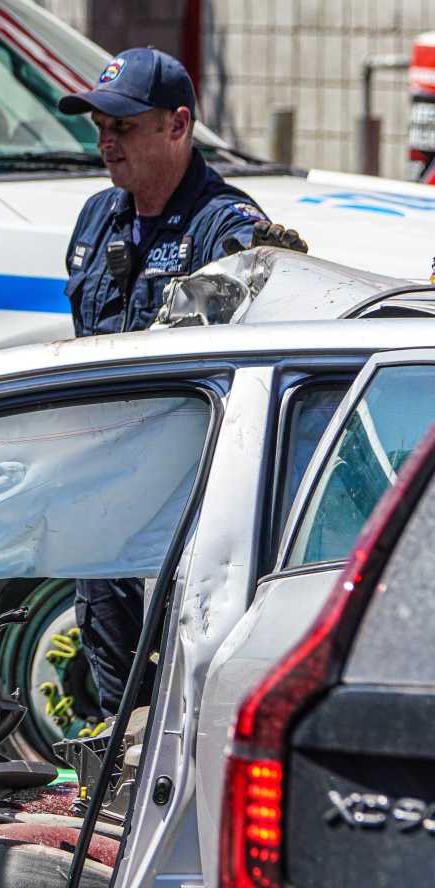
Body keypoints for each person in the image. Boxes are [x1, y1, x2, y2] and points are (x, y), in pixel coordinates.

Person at [54, 47, 305, 718]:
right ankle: (113, 770)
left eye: (124, 126)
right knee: (107, 649)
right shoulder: (94, 220)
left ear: (177, 126)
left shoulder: (224, 224)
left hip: (191, 489)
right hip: (106, 478)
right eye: (99, 126)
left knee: (190, 664)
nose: (107, 142)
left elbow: (270, 297)